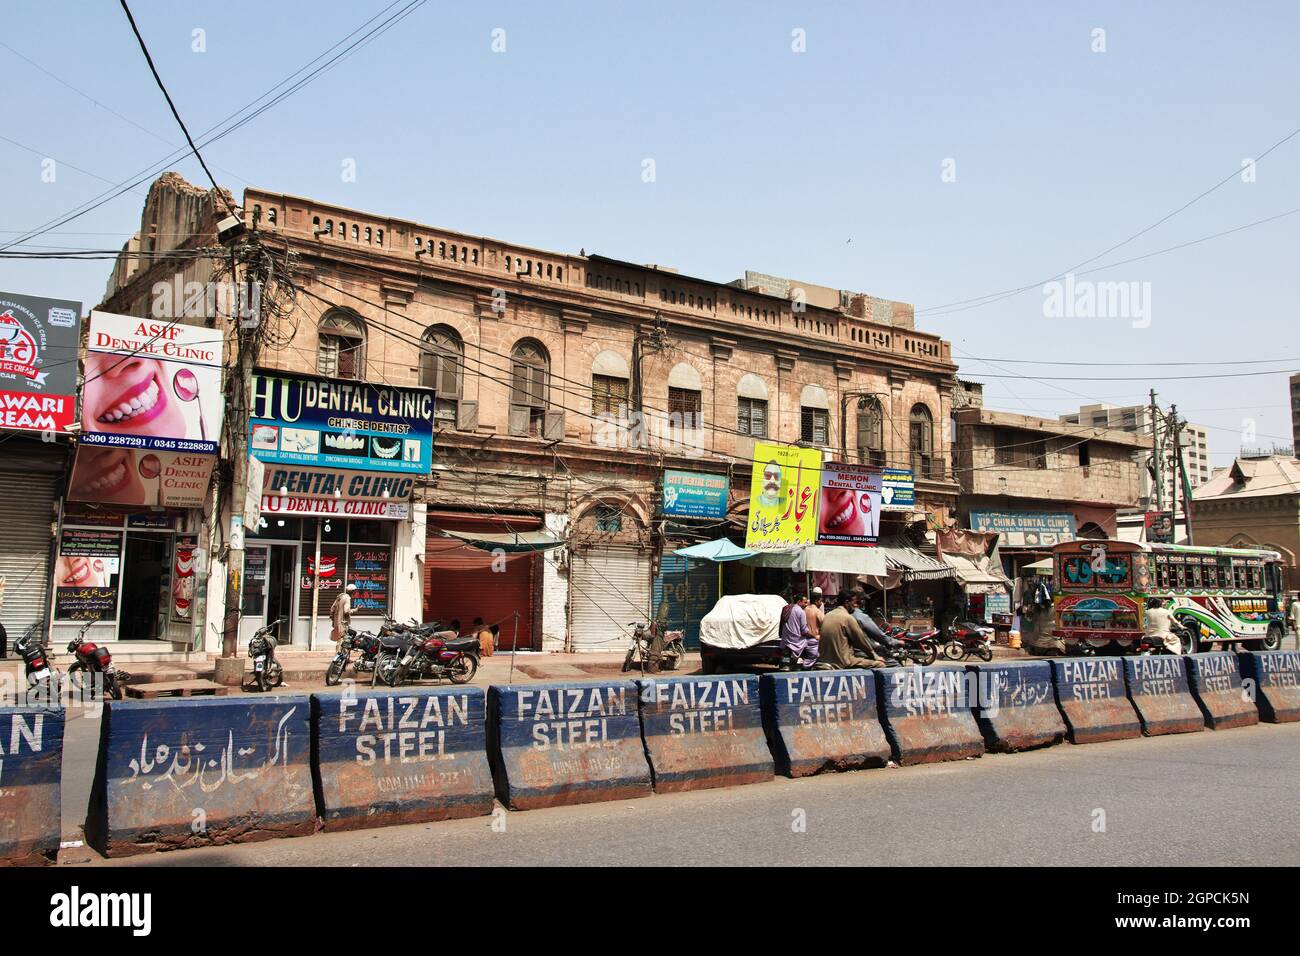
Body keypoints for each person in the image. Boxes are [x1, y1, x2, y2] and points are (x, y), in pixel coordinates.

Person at [819, 593, 884, 669]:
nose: (856, 606)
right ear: (847, 603)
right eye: (855, 602)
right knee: (880, 664)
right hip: (843, 662)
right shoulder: (848, 618)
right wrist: (875, 656)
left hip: (825, 660)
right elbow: (861, 641)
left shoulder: (827, 615)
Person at [850, 588, 900, 657]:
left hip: (854, 652)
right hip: (864, 653)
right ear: (860, 601)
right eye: (863, 600)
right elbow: (879, 636)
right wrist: (898, 642)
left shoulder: (847, 614)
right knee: (894, 663)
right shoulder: (861, 616)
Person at [779, 593, 818, 669]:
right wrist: (814, 635)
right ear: (799, 602)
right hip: (796, 641)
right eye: (805, 602)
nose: (806, 605)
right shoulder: (801, 611)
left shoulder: (786, 608)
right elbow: (804, 631)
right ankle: (807, 664)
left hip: (785, 640)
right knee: (814, 643)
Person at [330, 583, 356, 648]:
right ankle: (339, 656)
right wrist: (354, 610)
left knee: (339, 640)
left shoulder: (340, 597)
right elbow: (346, 611)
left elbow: (332, 609)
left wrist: (333, 620)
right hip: (343, 623)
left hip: (337, 622)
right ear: (352, 591)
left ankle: (339, 656)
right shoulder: (347, 598)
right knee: (342, 641)